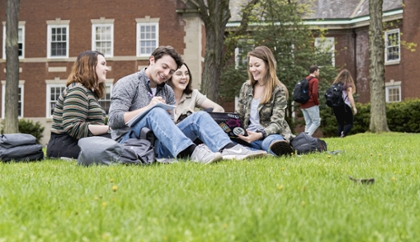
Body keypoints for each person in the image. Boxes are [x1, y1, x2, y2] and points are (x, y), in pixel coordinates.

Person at [108, 46, 266, 164]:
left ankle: (230, 148)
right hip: (131, 144)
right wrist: (149, 108)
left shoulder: (167, 91)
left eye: (171, 71)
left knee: (200, 116)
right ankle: (192, 153)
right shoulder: (128, 83)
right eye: (164, 67)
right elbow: (114, 120)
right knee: (155, 111)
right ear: (152, 60)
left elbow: (169, 129)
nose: (166, 74)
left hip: (159, 145)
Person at [47, 50, 111, 159]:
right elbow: (73, 127)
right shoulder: (78, 90)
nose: (107, 69)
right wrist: (109, 128)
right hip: (65, 145)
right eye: (103, 64)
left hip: (79, 142)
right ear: (90, 66)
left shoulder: (88, 92)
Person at [235, 46, 295, 156]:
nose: (253, 69)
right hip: (248, 135)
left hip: (270, 134)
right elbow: (239, 115)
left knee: (269, 142)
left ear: (268, 65)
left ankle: (275, 149)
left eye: (257, 65)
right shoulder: (246, 87)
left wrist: (260, 134)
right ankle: (260, 152)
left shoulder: (278, 90)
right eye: (251, 66)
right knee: (231, 141)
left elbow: (277, 122)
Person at [332, 69, 357, 138]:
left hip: (336, 106)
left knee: (340, 123)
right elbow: (350, 96)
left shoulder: (335, 85)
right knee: (350, 123)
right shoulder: (348, 85)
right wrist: (354, 107)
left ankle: (339, 137)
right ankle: (343, 134)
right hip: (345, 105)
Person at [300, 65, 321, 136]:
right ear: (315, 71)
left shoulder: (305, 79)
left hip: (303, 105)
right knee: (316, 122)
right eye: (318, 71)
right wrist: (317, 102)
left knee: (308, 123)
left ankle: (304, 139)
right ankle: (307, 138)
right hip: (311, 104)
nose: (319, 73)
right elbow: (314, 93)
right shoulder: (314, 80)